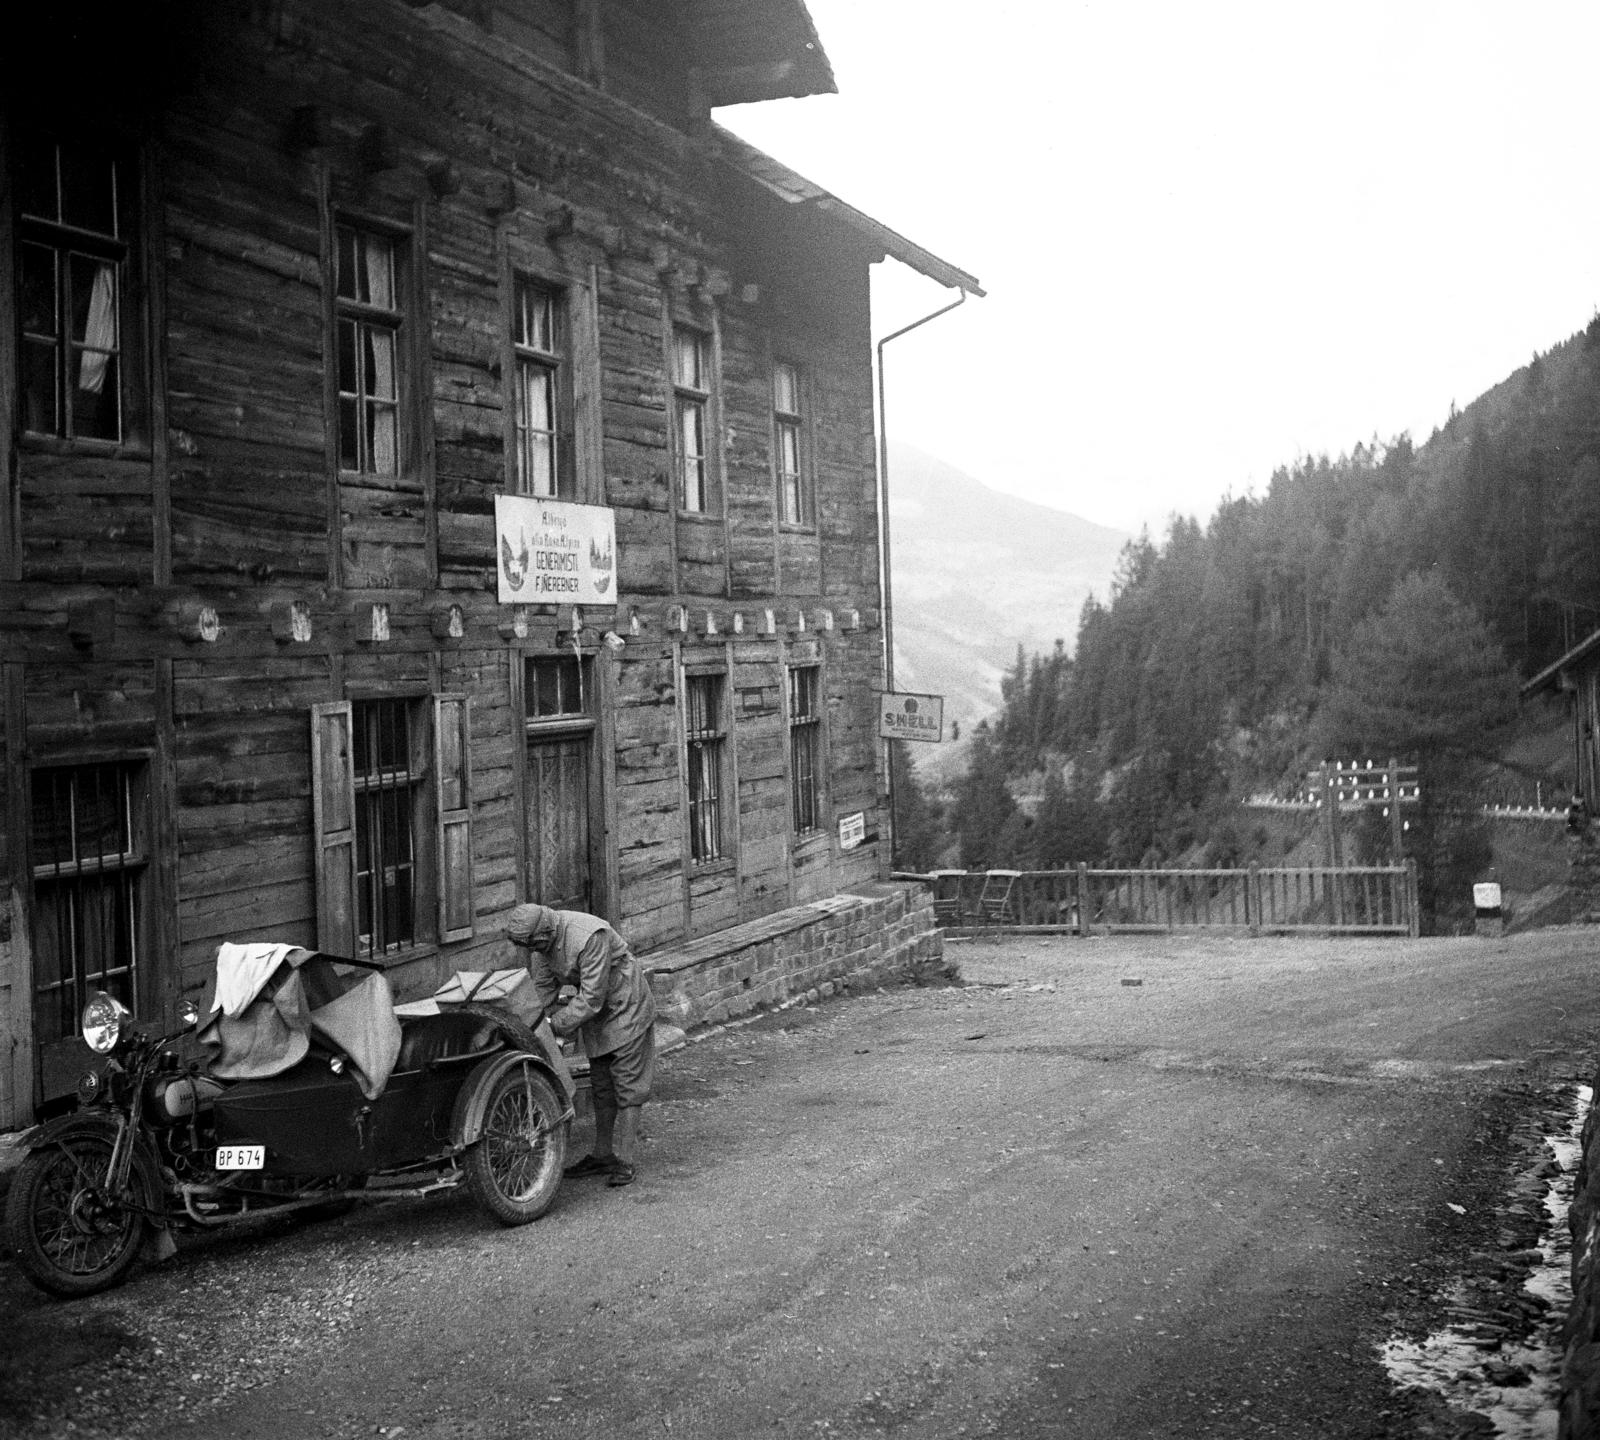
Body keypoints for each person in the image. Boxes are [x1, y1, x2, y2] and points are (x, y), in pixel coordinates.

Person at [505, 903, 657, 1187]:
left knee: (628, 1084)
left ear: (545, 931)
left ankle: (624, 1161)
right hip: (598, 1017)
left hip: (627, 1006)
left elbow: (591, 997)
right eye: (529, 947)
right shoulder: (542, 948)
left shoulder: (589, 936)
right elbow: (542, 992)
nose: (533, 950)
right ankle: (602, 1155)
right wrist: (531, 1026)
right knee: (601, 1085)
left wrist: (556, 1025)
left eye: (534, 944)